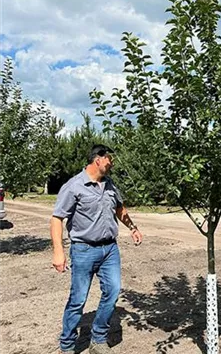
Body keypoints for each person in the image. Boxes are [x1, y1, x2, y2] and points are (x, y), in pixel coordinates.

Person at [50, 144, 143, 354]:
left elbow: (120, 209)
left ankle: (98, 340)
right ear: (98, 159)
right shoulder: (74, 186)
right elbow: (57, 219)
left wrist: (133, 227)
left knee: (112, 291)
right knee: (78, 299)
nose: (112, 163)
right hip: (83, 250)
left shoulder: (109, 184)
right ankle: (67, 345)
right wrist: (59, 251)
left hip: (110, 250)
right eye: (109, 158)